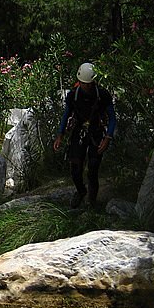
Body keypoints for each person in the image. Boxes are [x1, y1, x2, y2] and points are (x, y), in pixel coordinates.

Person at [53, 62, 116, 209]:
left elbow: (112, 117)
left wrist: (108, 138)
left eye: (88, 84)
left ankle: (91, 202)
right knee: (75, 168)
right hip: (79, 132)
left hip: (96, 132)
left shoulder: (102, 95)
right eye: (82, 83)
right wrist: (60, 135)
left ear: (93, 81)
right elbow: (66, 115)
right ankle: (81, 191)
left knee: (93, 168)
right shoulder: (73, 95)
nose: (85, 86)